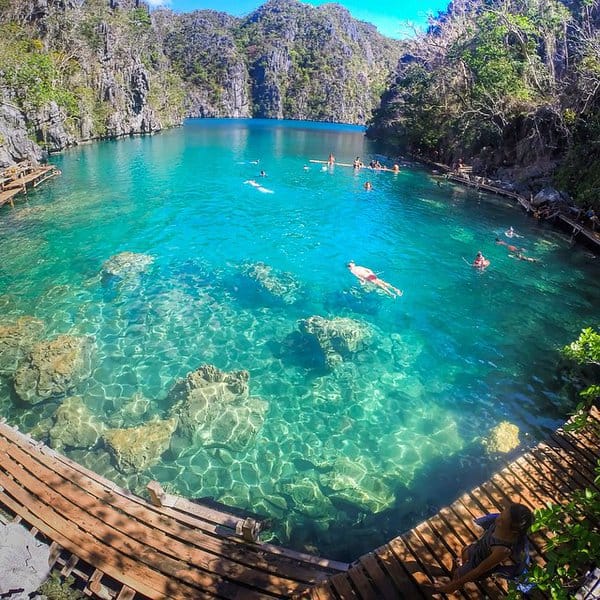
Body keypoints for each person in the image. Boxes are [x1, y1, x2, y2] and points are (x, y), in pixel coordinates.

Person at [434, 503, 533, 595]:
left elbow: (479, 570)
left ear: (513, 531)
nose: (498, 518)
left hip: (478, 564)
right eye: (501, 513)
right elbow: (486, 536)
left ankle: (453, 587)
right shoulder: (499, 522)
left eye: (502, 521)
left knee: (458, 574)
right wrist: (473, 545)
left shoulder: (502, 549)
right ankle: (463, 566)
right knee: (464, 551)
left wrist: (455, 583)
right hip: (478, 550)